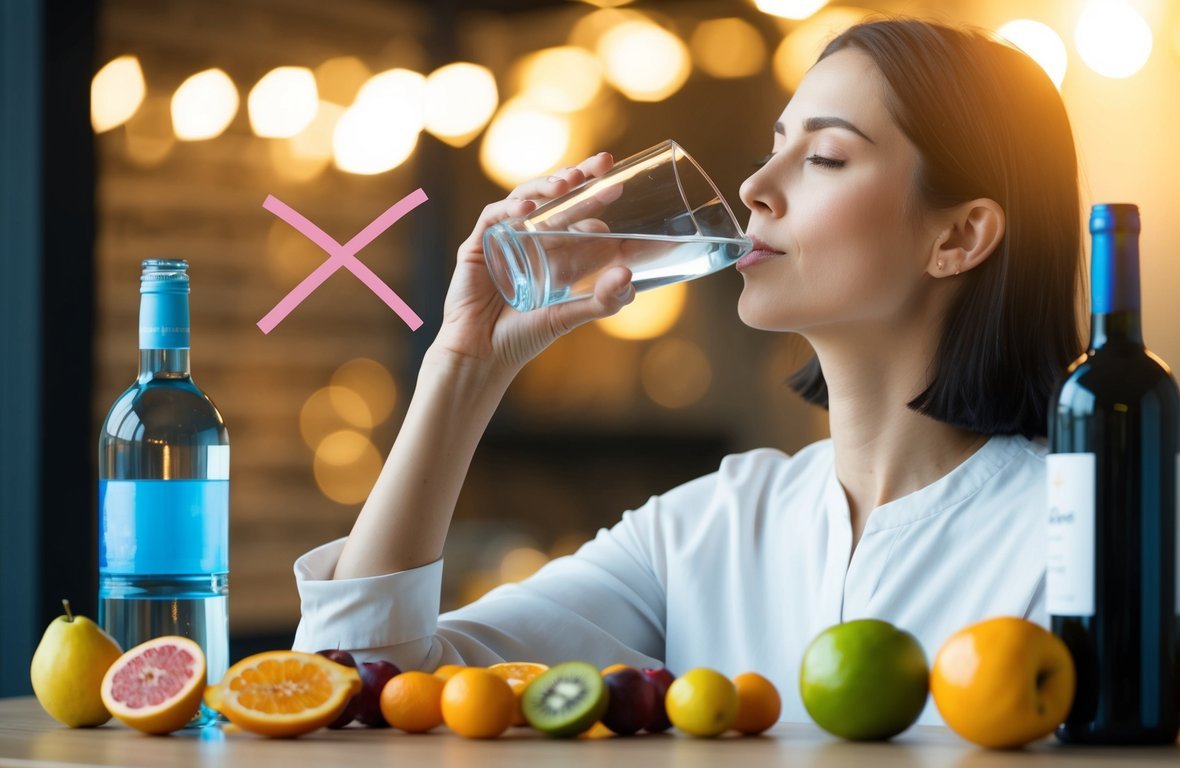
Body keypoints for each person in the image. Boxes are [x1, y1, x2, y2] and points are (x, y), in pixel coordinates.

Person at [293, 17, 1082, 726]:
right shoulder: (702, 530)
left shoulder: (1071, 534)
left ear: (960, 236)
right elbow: (359, 687)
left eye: (825, 156)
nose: (752, 189)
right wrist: (462, 369)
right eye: (772, 147)